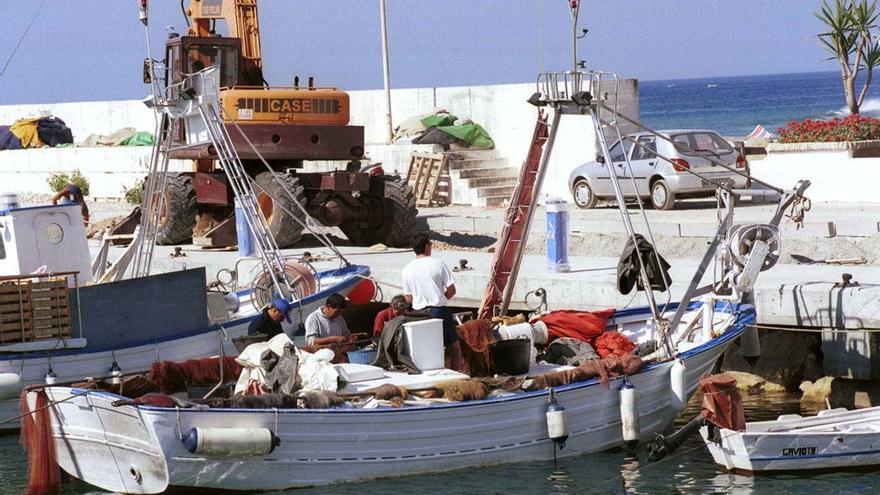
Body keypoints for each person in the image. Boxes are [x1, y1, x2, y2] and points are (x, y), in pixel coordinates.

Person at [401, 232, 461, 369]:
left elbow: (408, 298)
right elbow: (452, 290)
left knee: (426, 348)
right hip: (439, 310)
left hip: (419, 313)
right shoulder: (438, 264)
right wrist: (440, 298)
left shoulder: (407, 269)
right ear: (427, 246)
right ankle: (457, 373)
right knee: (454, 347)